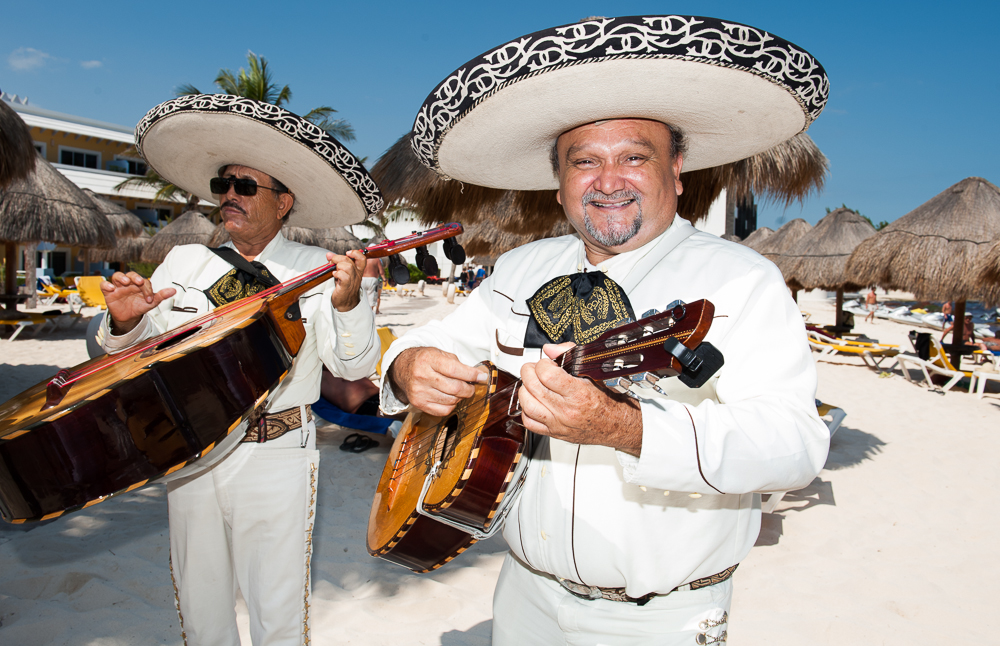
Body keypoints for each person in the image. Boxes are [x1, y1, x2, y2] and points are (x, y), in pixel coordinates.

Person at [380, 15, 831, 645]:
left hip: (661, 617)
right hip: (523, 594)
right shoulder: (521, 267)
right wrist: (410, 366)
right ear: (559, 184)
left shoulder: (740, 281)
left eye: (633, 158)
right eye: (583, 161)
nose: (608, 180)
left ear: (676, 171)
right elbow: (436, 341)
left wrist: (628, 428)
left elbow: (796, 445)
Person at [98, 94, 383, 646]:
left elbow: (355, 367)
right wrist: (126, 323)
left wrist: (349, 306)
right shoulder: (182, 263)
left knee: (276, 611)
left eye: (245, 186)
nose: (229, 195)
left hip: (275, 454)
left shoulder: (321, 272)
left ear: (283, 203)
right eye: (224, 185)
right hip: (193, 451)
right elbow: (129, 358)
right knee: (200, 607)